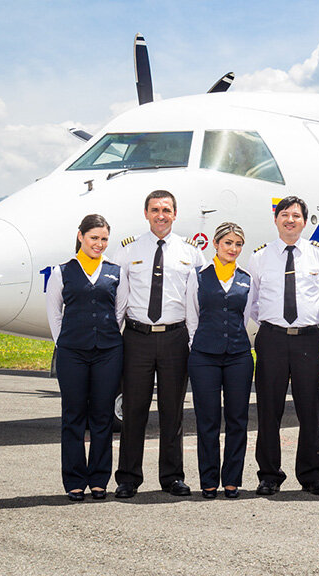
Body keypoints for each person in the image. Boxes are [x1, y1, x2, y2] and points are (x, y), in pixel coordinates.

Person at [114, 190, 205, 499]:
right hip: (137, 337)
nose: (161, 215)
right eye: (155, 209)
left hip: (175, 338)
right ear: (146, 213)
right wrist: (116, 338)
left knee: (172, 411)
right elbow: (119, 301)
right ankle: (128, 478)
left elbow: (196, 302)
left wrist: (194, 340)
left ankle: (172, 477)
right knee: (133, 410)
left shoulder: (191, 253)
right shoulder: (128, 251)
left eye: (166, 209)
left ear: (175, 214)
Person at [248, 195, 319, 496]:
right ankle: (269, 475)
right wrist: (274, 327)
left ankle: (312, 476)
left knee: (310, 410)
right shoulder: (260, 256)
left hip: (308, 339)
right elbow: (254, 302)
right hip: (271, 338)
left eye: (296, 215)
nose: (289, 220)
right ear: (276, 220)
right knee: (268, 410)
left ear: (304, 220)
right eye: (284, 215)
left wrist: (308, 325)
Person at [45, 214, 125, 501]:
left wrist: (104, 336)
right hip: (72, 353)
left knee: (102, 416)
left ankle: (100, 479)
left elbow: (119, 311)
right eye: (94, 238)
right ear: (81, 236)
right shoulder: (61, 272)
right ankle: (75, 480)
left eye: (104, 239)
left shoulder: (116, 271)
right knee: (73, 416)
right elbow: (55, 313)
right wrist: (65, 344)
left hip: (108, 352)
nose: (99, 244)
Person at [185, 222, 255, 499]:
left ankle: (232, 480)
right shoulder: (199, 276)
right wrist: (198, 344)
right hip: (204, 356)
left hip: (238, 355)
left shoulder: (246, 277)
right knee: (208, 419)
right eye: (228, 243)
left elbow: (247, 314)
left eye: (238, 244)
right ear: (216, 244)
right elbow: (192, 315)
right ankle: (209, 480)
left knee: (237, 419)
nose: (233, 249)